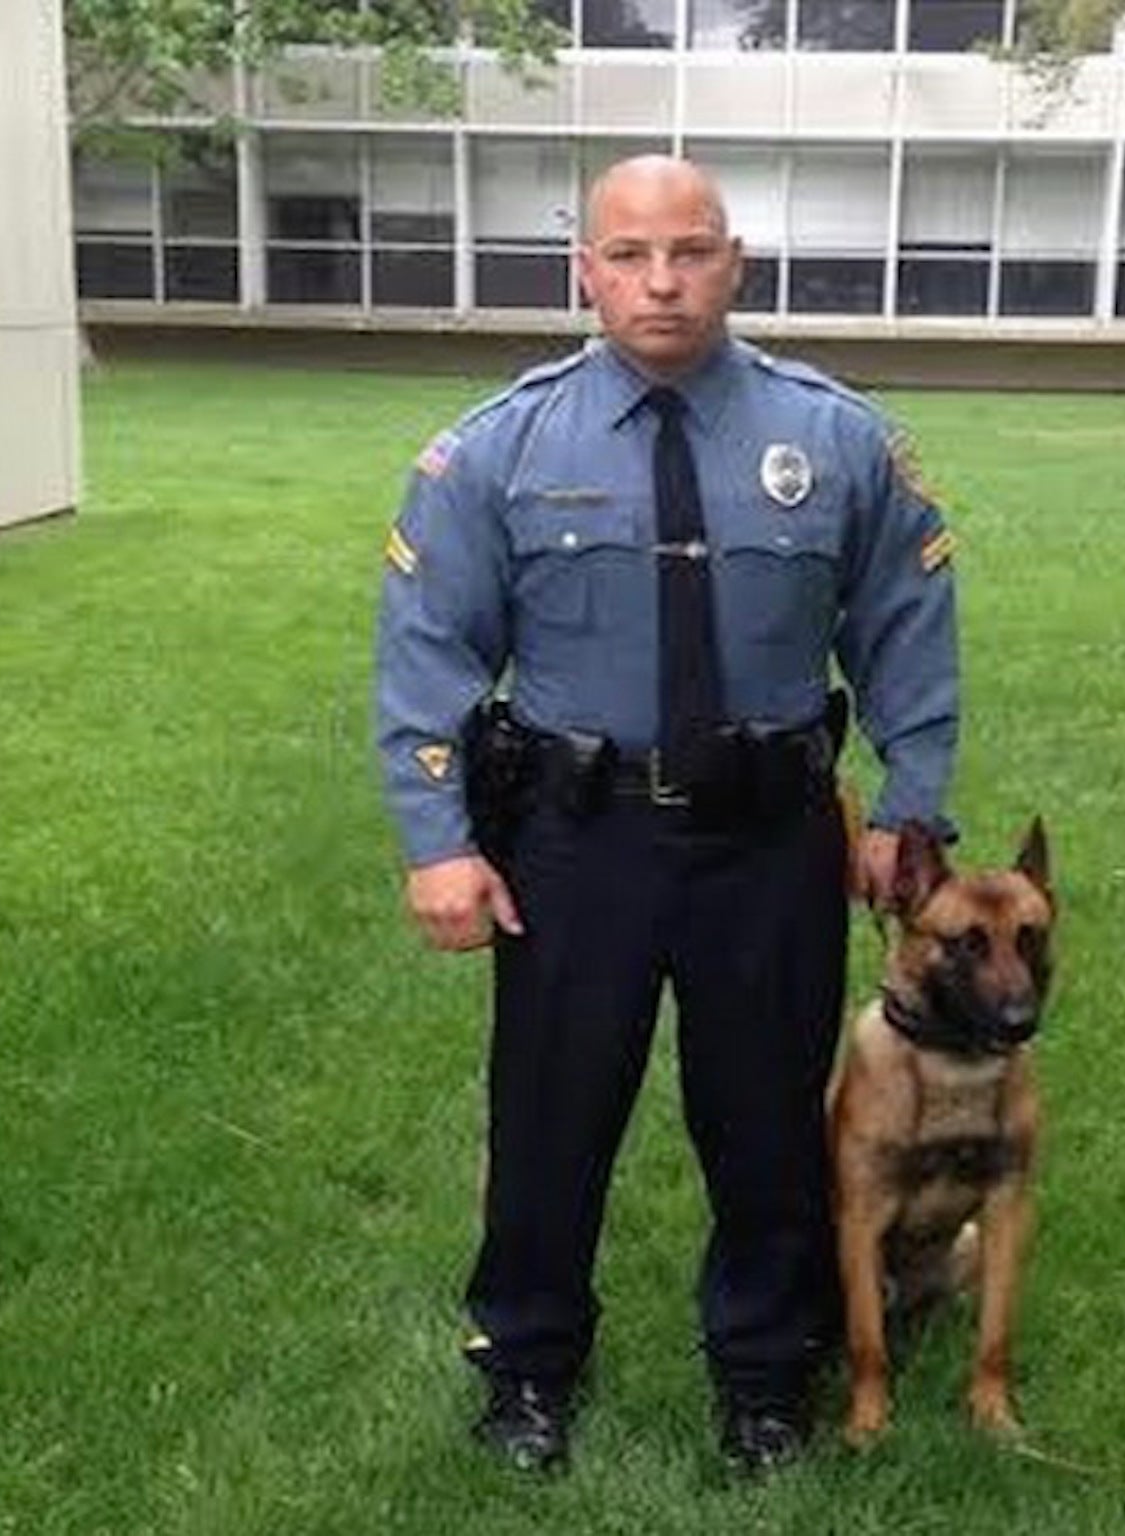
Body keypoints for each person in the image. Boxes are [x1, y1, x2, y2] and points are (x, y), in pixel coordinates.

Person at [373, 155, 958, 1474]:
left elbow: (908, 628)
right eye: (628, 255)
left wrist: (908, 808)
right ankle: (525, 1368)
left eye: (689, 253)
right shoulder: (499, 448)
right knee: (552, 1115)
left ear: (733, 262)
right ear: (584, 268)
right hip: (578, 841)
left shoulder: (836, 440)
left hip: (769, 839)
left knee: (761, 1123)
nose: (660, 282)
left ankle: (765, 1377)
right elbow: (428, 652)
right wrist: (441, 842)